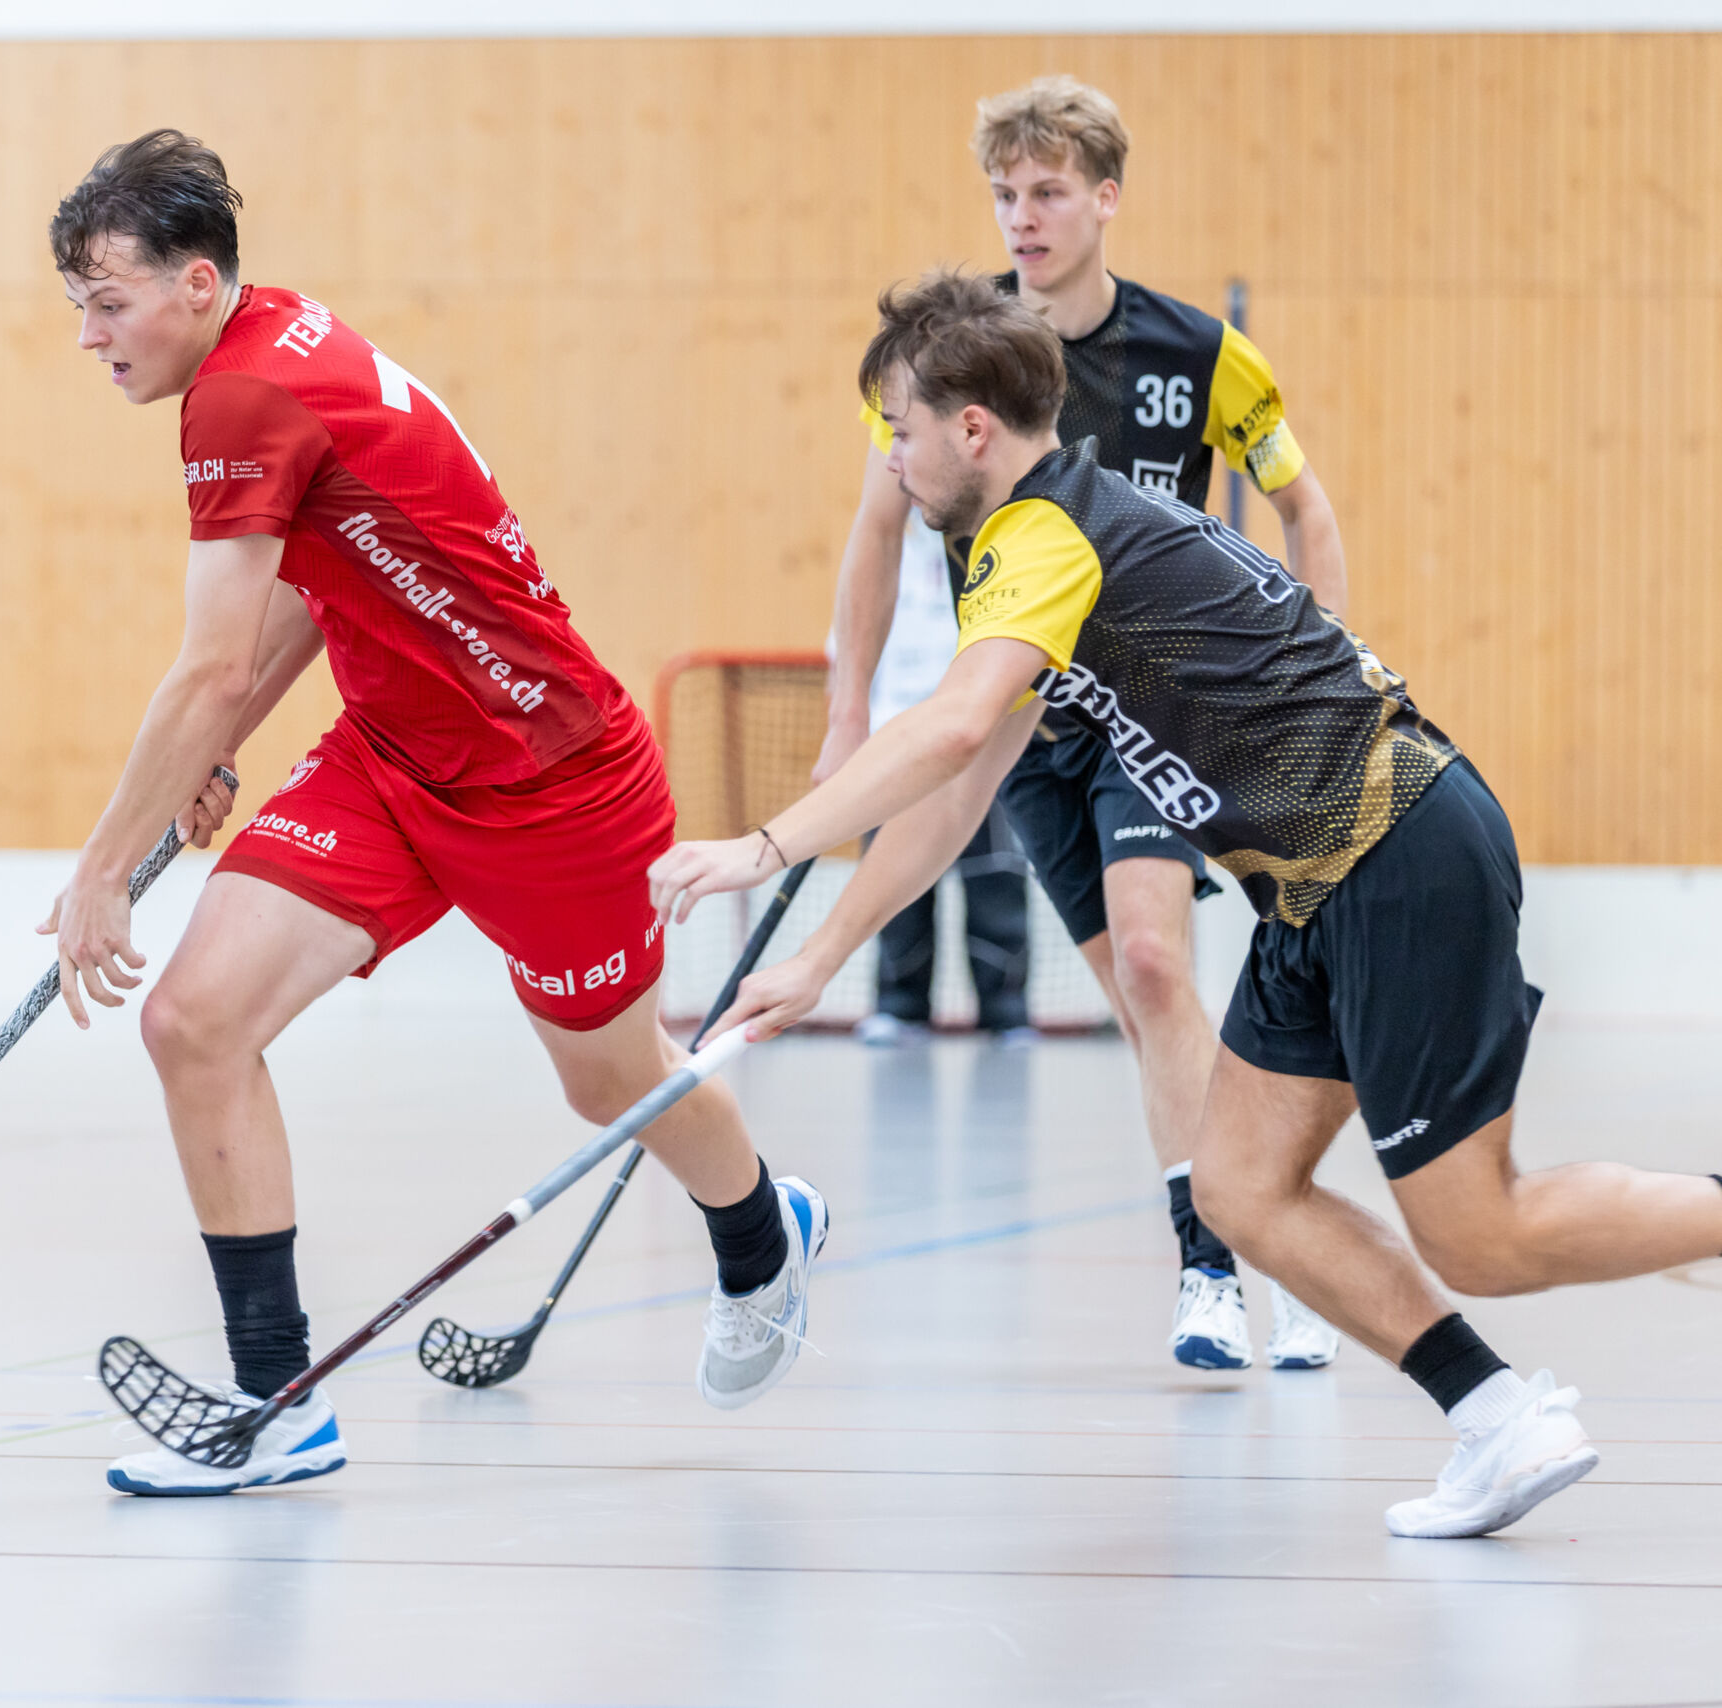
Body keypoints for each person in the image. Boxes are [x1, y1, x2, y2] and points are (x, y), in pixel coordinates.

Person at [653, 268, 1722, 1539]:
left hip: (1395, 847)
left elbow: (942, 731)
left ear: (971, 428)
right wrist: (826, 952)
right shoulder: (1055, 536)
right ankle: (1497, 1419)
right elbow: (971, 775)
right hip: (1315, 889)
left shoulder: (1045, 535)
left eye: (900, 426)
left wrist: (766, 845)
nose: (890, 458)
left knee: (1479, 1229)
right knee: (1238, 1184)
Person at [39, 131, 826, 1497]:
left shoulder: (244, 397)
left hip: (555, 780)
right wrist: (213, 747)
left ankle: (761, 1228)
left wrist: (105, 866)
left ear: (200, 282)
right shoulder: (270, 342)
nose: (90, 337)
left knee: (608, 1078)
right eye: (78, 309)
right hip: (396, 755)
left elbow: (214, 656)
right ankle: (275, 1400)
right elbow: (316, 586)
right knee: (194, 1022)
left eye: (108, 303)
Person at [817, 76, 1343, 1372]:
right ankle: (1269, 1219)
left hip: (1155, 709)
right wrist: (846, 719)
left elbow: (1308, 515)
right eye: (1006, 192)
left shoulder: (1201, 357)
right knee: (1136, 994)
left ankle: (1227, 1260)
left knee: (1160, 964)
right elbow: (875, 535)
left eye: (1049, 190)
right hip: (1025, 728)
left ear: (1106, 197)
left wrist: (1314, 689)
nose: (1024, 215)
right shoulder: (950, 367)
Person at [849, 512, 1034, 1045]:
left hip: (980, 748)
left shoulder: (996, 555)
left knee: (995, 882)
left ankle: (1006, 1010)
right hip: (892, 752)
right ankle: (899, 1006)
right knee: (895, 887)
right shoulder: (878, 564)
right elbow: (849, 664)